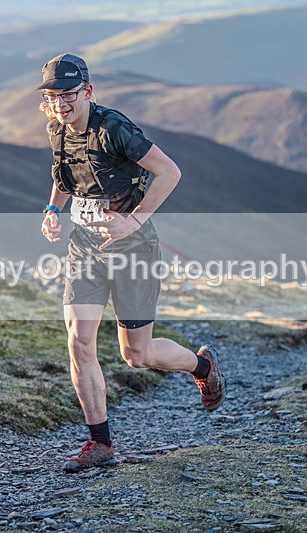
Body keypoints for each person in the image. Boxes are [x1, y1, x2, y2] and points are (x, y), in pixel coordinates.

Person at [36, 53, 226, 473]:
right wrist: (52, 211)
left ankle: (203, 365)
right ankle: (99, 443)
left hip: (133, 249)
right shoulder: (58, 130)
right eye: (53, 97)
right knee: (79, 342)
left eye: (68, 95)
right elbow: (62, 176)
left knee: (136, 355)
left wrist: (135, 219)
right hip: (85, 249)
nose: (61, 104)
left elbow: (170, 173)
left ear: (87, 91)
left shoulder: (114, 129)